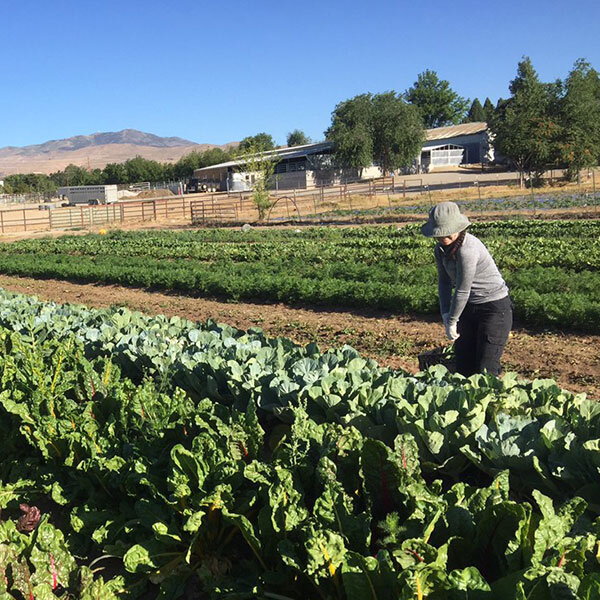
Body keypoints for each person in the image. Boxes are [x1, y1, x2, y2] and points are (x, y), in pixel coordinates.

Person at [421, 202, 512, 377]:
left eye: (446, 233)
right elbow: (444, 283)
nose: (442, 238)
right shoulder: (440, 249)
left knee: (486, 369)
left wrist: (453, 321)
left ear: (457, 228)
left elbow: (463, 290)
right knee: (463, 365)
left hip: (493, 308)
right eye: (439, 234)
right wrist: (445, 313)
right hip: (469, 308)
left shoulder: (467, 250)